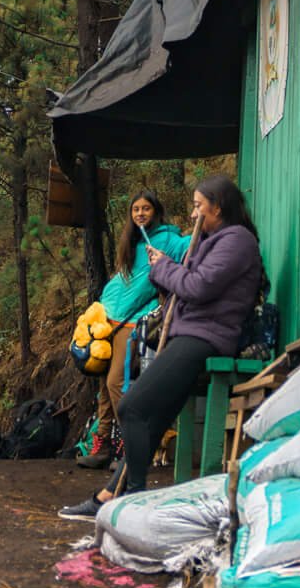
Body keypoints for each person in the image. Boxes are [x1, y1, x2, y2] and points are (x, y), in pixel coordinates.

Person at [60, 174, 262, 520]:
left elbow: (197, 287)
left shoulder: (237, 240)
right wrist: (166, 269)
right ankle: (110, 494)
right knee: (150, 420)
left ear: (219, 206)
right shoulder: (216, 240)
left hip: (204, 338)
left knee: (132, 408)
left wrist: (164, 267)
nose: (195, 214)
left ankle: (133, 499)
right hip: (193, 333)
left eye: (199, 206)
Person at [77, 192, 190, 474]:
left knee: (117, 382)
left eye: (146, 208)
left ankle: (133, 444)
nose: (140, 214)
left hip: (134, 321)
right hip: (110, 318)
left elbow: (189, 248)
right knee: (104, 386)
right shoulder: (132, 241)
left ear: (157, 211)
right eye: (136, 209)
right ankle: (102, 444)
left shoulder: (166, 239)